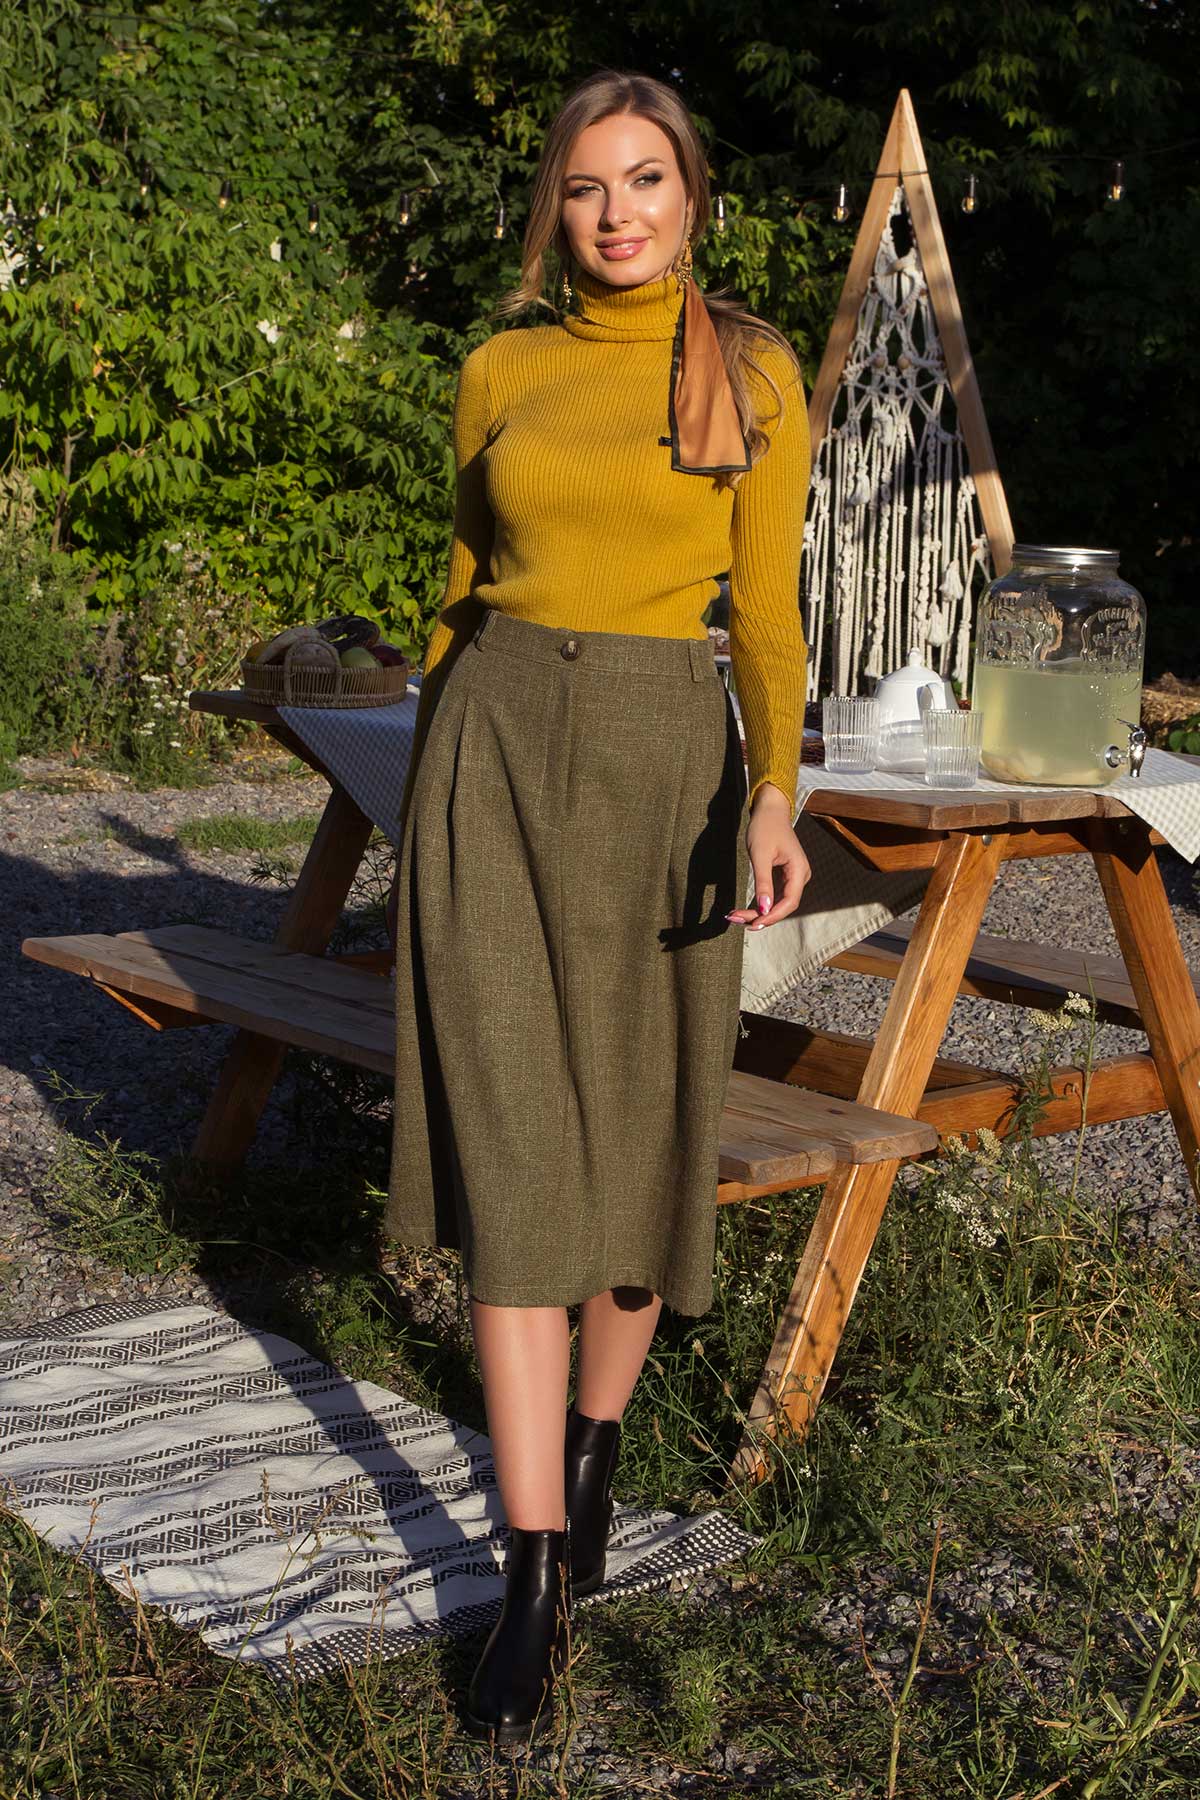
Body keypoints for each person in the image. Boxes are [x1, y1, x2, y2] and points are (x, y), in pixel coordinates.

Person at [385, 66, 812, 1746]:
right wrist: (426, 786)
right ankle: (533, 1577)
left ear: (692, 198)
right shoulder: (500, 368)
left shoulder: (751, 370)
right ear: (552, 208)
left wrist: (774, 792)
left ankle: (594, 1455)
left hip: (662, 772)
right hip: (489, 752)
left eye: (645, 180)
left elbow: (765, 612)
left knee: (633, 1141)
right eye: (585, 185)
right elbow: (459, 590)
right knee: (514, 1152)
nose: (616, 212)